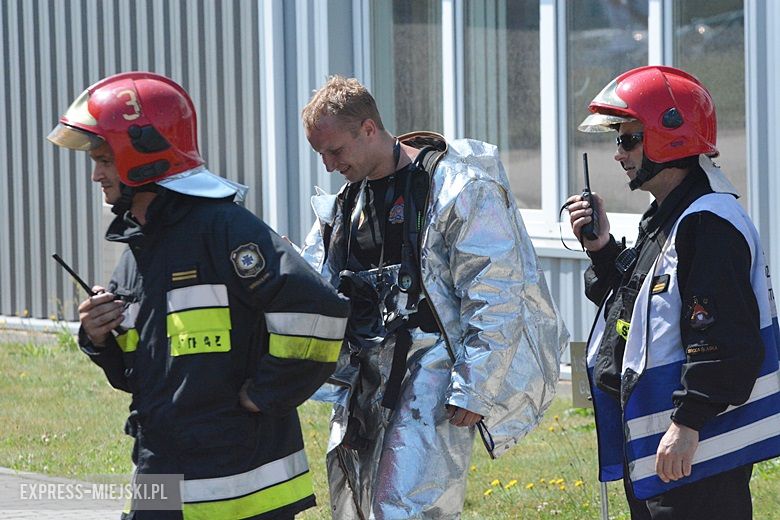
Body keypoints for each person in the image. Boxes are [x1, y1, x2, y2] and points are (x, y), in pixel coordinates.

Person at [47, 71, 350, 520]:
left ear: (143, 156)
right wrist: (99, 336)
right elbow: (138, 372)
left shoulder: (224, 229)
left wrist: (266, 393)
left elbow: (317, 312)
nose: (96, 175)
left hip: (240, 483)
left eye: (104, 159)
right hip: (161, 470)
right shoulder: (139, 247)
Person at [299, 75, 567, 519]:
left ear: (368, 128)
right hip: (366, 378)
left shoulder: (456, 189)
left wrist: (475, 386)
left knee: (405, 507)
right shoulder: (347, 205)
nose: (328, 166)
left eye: (335, 151)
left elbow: (495, 290)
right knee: (354, 505)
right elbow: (315, 284)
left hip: (432, 376)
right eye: (321, 155)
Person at [566, 65, 780, 519]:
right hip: (663, 449)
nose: (618, 154)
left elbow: (726, 341)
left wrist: (687, 423)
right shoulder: (670, 214)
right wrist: (602, 250)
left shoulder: (707, 224)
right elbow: (640, 309)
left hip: (694, 453)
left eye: (629, 139)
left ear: (670, 136)